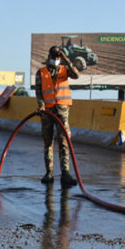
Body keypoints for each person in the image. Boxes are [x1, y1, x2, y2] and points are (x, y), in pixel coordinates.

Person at [36, 46, 80, 187]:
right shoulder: (41, 72)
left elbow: (77, 75)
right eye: (54, 57)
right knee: (48, 142)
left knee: (64, 142)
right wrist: (41, 104)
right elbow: (39, 92)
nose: (55, 59)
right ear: (48, 56)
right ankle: (49, 173)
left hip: (62, 111)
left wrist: (66, 58)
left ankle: (65, 173)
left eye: (58, 57)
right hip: (47, 112)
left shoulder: (64, 70)